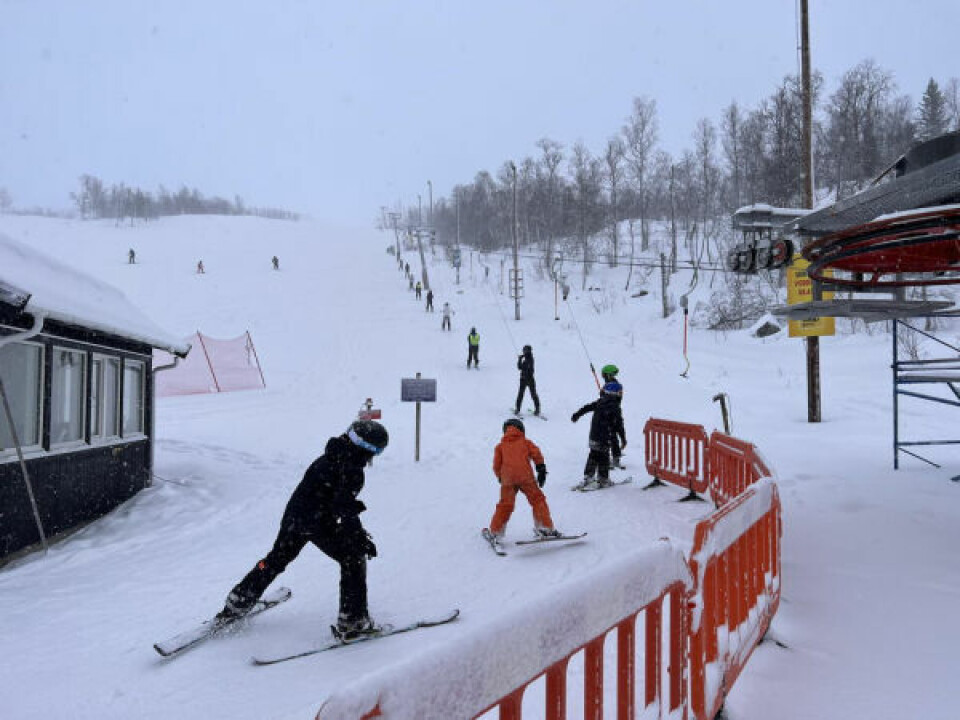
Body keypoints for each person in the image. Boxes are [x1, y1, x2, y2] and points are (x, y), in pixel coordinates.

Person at [214, 419, 389, 640]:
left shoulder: (331, 455)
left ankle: (238, 601)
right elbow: (345, 509)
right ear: (367, 449)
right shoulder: (351, 468)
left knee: (276, 559)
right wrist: (357, 537)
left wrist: (353, 531)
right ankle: (353, 622)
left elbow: (335, 502)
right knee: (353, 557)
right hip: (316, 522)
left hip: (295, 517)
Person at [484, 418, 559, 541]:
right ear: (521, 429)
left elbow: (496, 465)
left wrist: (500, 477)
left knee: (505, 505)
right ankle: (544, 527)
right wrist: (541, 469)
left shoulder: (500, 446)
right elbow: (536, 454)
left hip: (508, 479)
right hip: (525, 477)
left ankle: (495, 532)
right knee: (537, 500)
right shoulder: (525, 442)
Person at [570, 385, 621, 489]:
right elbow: (617, 424)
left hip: (594, 435)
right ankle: (603, 479)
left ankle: (589, 476)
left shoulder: (600, 402)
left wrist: (577, 414)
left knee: (593, 454)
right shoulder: (614, 406)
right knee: (604, 457)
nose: (621, 394)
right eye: (619, 392)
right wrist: (620, 437)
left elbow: (587, 407)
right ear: (614, 393)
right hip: (604, 436)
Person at [600, 364, 627, 468]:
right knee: (615, 432)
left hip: (610, 413)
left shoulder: (612, 385)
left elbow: (606, 397)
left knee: (611, 434)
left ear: (608, 375)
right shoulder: (615, 384)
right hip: (615, 412)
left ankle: (615, 458)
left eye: (604, 375)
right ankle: (617, 453)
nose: (603, 377)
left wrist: (602, 392)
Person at [514, 345, 541, 416]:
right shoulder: (526, 358)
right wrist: (519, 359)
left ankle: (537, 409)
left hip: (529, 380)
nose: (523, 351)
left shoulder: (530, 359)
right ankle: (517, 409)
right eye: (523, 350)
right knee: (521, 395)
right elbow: (519, 367)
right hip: (523, 379)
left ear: (528, 351)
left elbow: (523, 367)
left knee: (533, 394)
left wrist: (521, 359)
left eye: (524, 350)